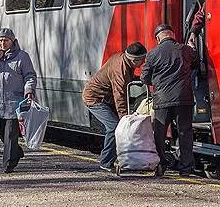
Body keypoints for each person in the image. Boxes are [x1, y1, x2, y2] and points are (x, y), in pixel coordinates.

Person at [82, 42, 148, 172]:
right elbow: (120, 96)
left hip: (106, 98)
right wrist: (125, 119)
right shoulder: (120, 70)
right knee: (114, 127)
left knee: (117, 126)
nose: (143, 62)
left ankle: (120, 158)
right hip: (95, 99)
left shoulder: (123, 59)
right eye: (142, 60)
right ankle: (106, 162)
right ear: (134, 60)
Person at [0, 27, 36, 173]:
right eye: (0, 40)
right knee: (0, 131)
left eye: (6, 40)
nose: (3, 43)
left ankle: (9, 164)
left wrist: (29, 90)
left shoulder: (22, 57)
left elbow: (30, 76)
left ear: (12, 41)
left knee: (10, 133)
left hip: (14, 102)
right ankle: (16, 151)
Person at [143, 24, 198, 177]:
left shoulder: (153, 53)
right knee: (185, 132)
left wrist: (158, 81)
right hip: (184, 99)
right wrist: (192, 48)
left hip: (162, 101)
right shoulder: (185, 50)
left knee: (159, 133)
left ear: (158, 38)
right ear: (172, 35)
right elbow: (196, 63)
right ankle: (186, 168)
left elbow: (144, 78)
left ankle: (161, 165)